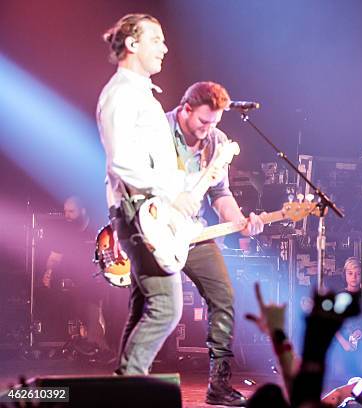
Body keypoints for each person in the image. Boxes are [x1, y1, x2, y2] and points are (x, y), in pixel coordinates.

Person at [97, 13, 200, 377]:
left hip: (151, 212)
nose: (165, 47)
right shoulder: (121, 95)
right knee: (166, 308)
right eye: (156, 39)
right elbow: (121, 161)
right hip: (139, 213)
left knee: (144, 308)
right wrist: (169, 194)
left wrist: (182, 191)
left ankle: (123, 388)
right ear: (132, 43)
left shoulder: (142, 95)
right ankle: (128, 388)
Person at [165, 81, 264, 406]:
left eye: (215, 123)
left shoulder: (217, 143)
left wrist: (241, 223)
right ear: (186, 109)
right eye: (203, 122)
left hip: (194, 233)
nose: (208, 130)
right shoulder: (159, 130)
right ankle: (130, 382)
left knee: (223, 296)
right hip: (153, 228)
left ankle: (218, 384)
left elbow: (220, 194)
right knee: (152, 308)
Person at [41, 196, 111, 357]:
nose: (67, 215)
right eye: (65, 211)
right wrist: (49, 271)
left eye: (71, 211)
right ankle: (82, 342)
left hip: (98, 280)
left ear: (83, 211)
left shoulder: (97, 230)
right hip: (74, 281)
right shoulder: (65, 232)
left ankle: (100, 346)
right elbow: (54, 258)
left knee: (92, 302)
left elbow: (110, 256)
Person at [331, 257, 362, 379]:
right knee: (341, 372)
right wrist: (344, 343)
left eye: (358, 274)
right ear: (345, 275)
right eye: (350, 273)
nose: (354, 277)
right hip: (342, 342)